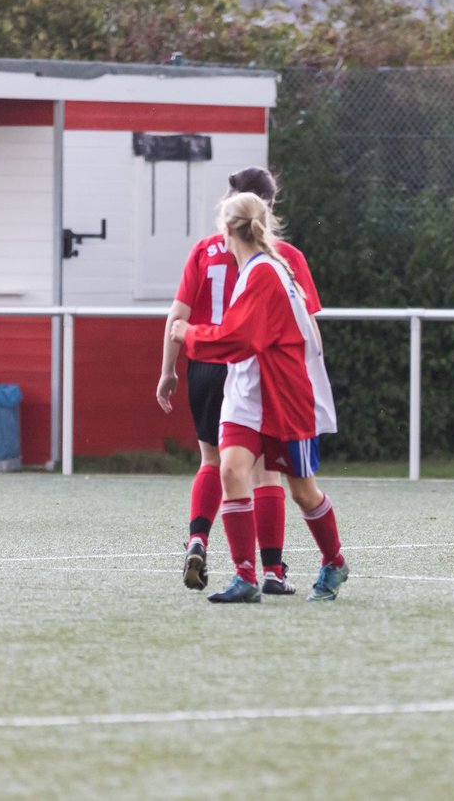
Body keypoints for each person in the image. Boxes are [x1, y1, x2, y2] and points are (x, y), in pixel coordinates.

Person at [170, 192, 348, 602]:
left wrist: (189, 333)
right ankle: (246, 577)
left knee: (303, 491)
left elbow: (240, 338)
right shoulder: (256, 269)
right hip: (246, 390)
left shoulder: (266, 271)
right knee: (232, 470)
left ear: (228, 230)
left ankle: (335, 561)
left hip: (283, 394)